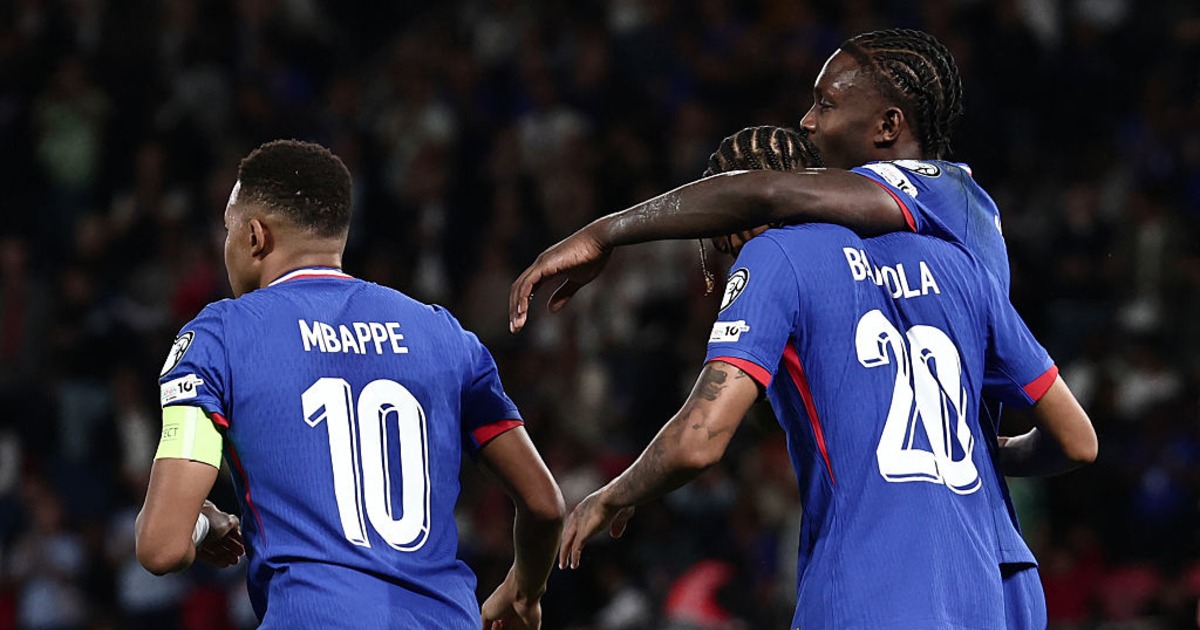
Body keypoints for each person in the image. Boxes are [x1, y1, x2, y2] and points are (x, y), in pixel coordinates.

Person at [508, 28, 1052, 626]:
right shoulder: (944, 260)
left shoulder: (940, 194)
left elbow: (765, 194)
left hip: (876, 575)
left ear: (888, 125)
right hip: (990, 566)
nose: (809, 121)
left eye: (826, 104)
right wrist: (986, 448)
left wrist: (605, 232)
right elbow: (1076, 440)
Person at [134, 139, 564, 629]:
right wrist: (525, 590)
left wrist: (205, 522)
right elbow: (544, 505)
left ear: (255, 236)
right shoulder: (443, 335)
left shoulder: (219, 337)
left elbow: (162, 546)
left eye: (228, 229)